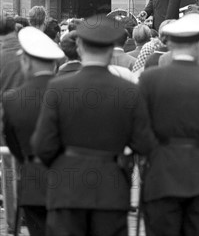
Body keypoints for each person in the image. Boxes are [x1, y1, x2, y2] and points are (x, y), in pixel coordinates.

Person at [32, 15, 157, 236]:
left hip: (67, 189)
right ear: (111, 49)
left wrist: (66, 164)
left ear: (79, 47)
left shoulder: (58, 89)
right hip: (111, 189)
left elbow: (42, 146)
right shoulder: (128, 91)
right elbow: (145, 144)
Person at [138, 13, 199, 236]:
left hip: (160, 173)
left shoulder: (149, 79)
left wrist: (155, 153)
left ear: (170, 43)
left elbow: (138, 131)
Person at [3, 27, 64, 236]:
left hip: (34, 183)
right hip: (72, 183)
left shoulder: (12, 99)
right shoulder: (73, 92)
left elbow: (14, 146)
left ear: (27, 62)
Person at [0, 15, 24, 235]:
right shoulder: (28, 51)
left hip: (5, 121)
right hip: (31, 116)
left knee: (8, 171)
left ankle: (11, 223)